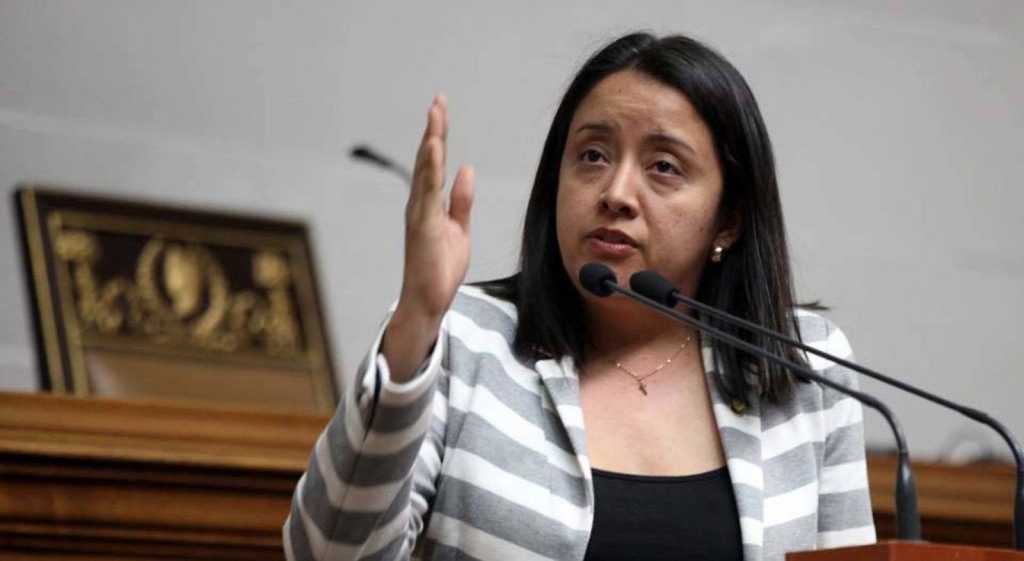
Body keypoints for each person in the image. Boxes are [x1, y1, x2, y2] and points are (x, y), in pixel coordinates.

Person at [284, 32, 876, 561]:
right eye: (593, 155)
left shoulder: (806, 364)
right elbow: (327, 554)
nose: (616, 192)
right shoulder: (462, 340)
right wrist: (415, 321)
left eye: (664, 166)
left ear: (729, 219)